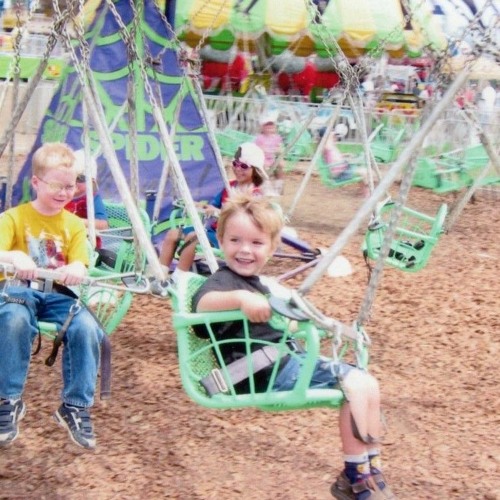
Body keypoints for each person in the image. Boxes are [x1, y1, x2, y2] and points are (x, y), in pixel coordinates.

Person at [192, 193, 394, 500]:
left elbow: (275, 326)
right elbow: (201, 305)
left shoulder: (258, 284)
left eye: (256, 243)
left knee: (369, 384)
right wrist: (241, 300)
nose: (244, 249)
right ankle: (356, 478)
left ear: (272, 248)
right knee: (354, 383)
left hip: (284, 363)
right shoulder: (224, 282)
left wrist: (296, 323)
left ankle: (371, 467)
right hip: (262, 373)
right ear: (221, 241)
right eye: (235, 240)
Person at [0, 142, 104, 450]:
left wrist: (75, 268)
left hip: (59, 295)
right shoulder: (13, 218)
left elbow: (80, 262)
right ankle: (8, 399)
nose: (64, 193)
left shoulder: (73, 225)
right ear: (36, 182)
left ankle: (75, 406)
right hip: (21, 290)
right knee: (13, 319)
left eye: (70, 186)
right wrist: (14, 257)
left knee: (87, 327)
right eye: (56, 185)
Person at [158, 142, 267, 282]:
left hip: (231, 237)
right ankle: (160, 274)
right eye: (235, 164)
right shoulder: (229, 187)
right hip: (213, 232)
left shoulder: (255, 195)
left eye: (244, 166)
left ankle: (179, 278)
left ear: (255, 170)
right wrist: (200, 206)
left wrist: (219, 212)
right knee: (173, 234)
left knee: (193, 237)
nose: (238, 169)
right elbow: (213, 206)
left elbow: (248, 220)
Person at [64, 149, 109, 249]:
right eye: (70, 176)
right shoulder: (60, 196)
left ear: (91, 181)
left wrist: (79, 222)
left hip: (88, 246)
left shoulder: (92, 198)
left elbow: (103, 225)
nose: (73, 181)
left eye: (80, 178)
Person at [322, 124, 369, 196]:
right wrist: (330, 135)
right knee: (364, 172)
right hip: (341, 173)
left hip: (342, 170)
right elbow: (327, 145)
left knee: (361, 169)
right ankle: (367, 193)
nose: (333, 133)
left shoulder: (331, 146)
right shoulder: (327, 146)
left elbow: (335, 156)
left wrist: (346, 155)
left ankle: (362, 191)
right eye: (331, 131)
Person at [254, 112, 285, 195]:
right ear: (262, 127)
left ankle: (279, 186)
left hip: (273, 159)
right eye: (267, 125)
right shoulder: (260, 138)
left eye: (271, 125)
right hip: (262, 159)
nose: (269, 127)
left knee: (280, 166)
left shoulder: (277, 137)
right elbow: (260, 150)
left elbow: (280, 149)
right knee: (263, 167)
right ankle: (266, 187)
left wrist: (280, 155)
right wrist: (271, 150)